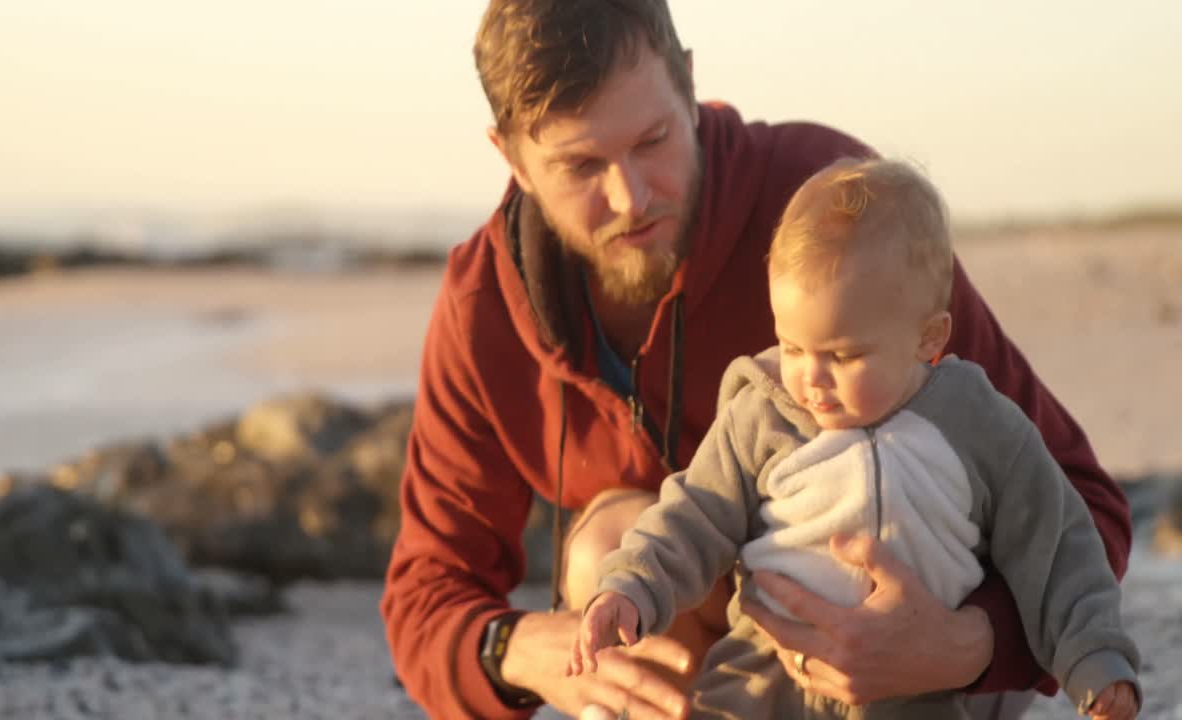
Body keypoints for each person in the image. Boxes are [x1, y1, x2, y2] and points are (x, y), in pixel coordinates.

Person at [379, 1, 1133, 718]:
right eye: (581, 166)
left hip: (936, 650)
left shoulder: (838, 219)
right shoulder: (485, 305)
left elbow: (1081, 504)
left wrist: (971, 644)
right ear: (509, 155)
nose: (632, 196)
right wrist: (512, 649)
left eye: (653, 142)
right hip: (738, 659)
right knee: (610, 547)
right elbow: (425, 595)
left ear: (690, 83)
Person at [569, 158, 1141, 720]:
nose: (809, 377)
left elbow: (1056, 540)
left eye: (843, 355)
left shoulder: (977, 423)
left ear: (928, 338)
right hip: (764, 683)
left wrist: (1096, 660)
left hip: (917, 695)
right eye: (792, 346)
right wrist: (631, 587)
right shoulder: (763, 416)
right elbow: (693, 514)